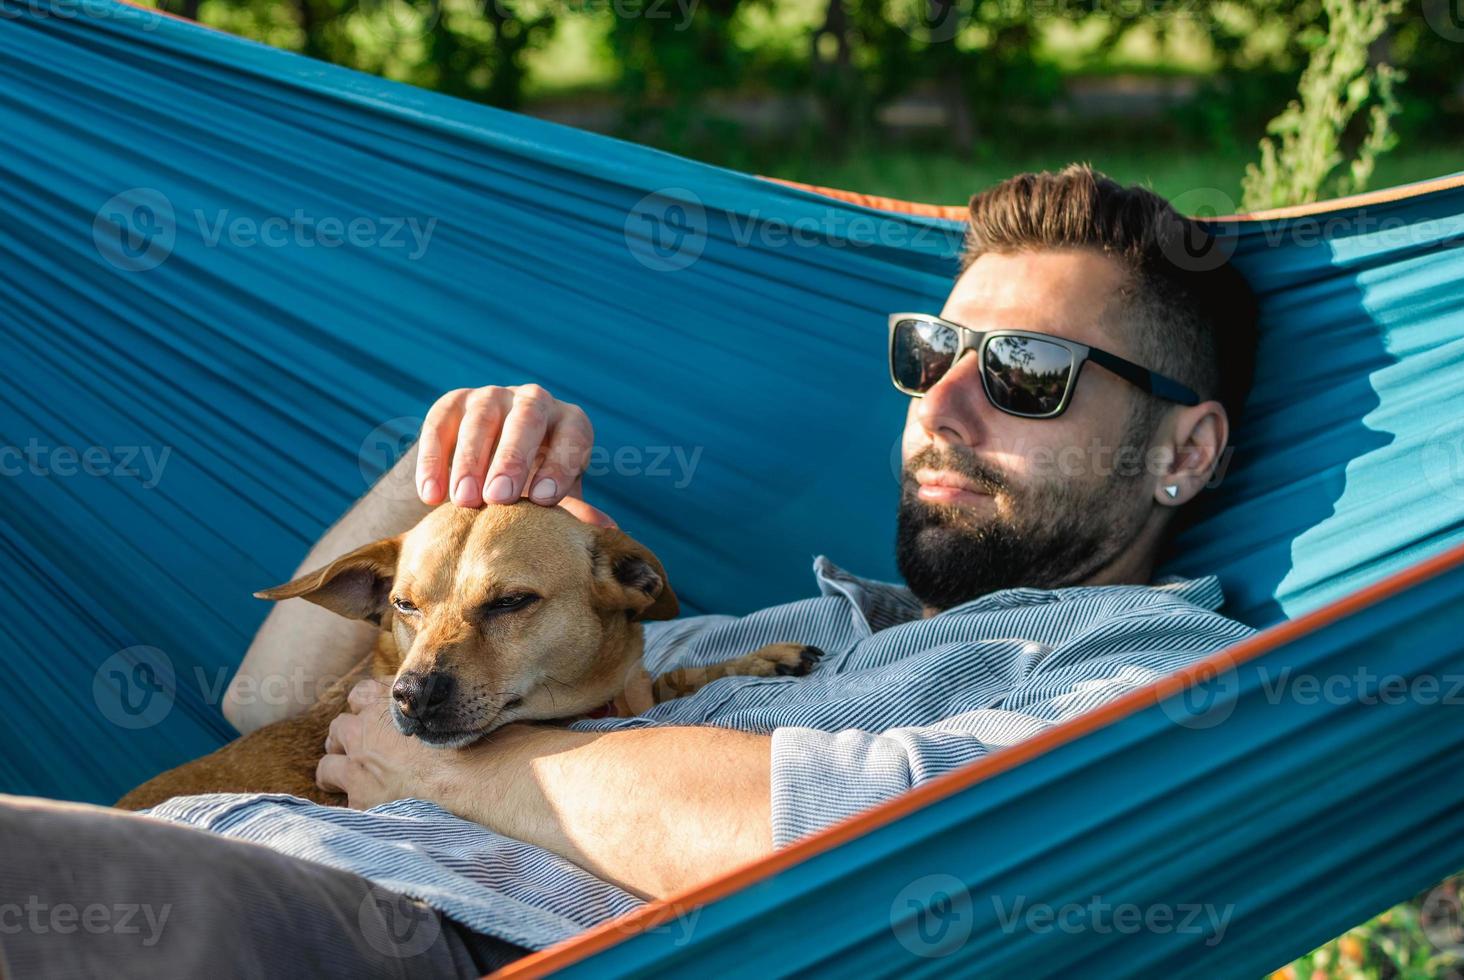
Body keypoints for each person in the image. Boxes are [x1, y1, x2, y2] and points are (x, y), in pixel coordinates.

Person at [0, 165, 1259, 978]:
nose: (947, 404)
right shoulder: (785, 629)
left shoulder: (1149, 668)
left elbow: (893, 833)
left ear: (1183, 451)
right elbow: (267, 711)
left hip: (397, 928)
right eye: (933, 352)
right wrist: (449, 482)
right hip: (222, 841)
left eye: (1027, 372)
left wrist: (447, 759)